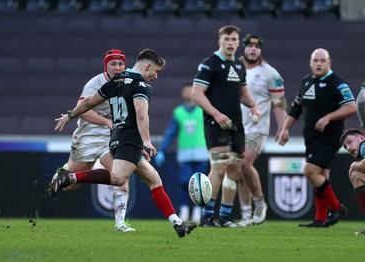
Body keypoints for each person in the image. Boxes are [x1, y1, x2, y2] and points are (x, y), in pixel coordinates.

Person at [50, 48, 197, 238]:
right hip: (128, 139)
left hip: (117, 137)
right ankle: (71, 177)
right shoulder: (141, 85)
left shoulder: (115, 82)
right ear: (149, 66)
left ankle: (178, 223)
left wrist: (70, 116)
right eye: (157, 72)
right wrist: (146, 141)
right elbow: (141, 114)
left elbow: (88, 103)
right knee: (119, 178)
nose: (156, 76)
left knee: (154, 180)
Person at [50, 49, 135, 232]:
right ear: (106, 66)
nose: (117, 67)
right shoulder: (95, 83)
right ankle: (64, 170)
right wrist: (107, 121)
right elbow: (83, 109)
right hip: (87, 137)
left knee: (120, 176)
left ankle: (120, 223)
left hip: (110, 139)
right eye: (113, 64)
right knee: (69, 187)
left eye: (120, 63)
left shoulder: (128, 83)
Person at [191, 25, 261, 228]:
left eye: (234, 40)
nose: (230, 43)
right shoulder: (209, 64)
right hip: (215, 122)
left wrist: (254, 106)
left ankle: (225, 216)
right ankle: (206, 216)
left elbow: (243, 94)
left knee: (235, 169)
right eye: (227, 39)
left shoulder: (239, 67)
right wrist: (216, 114)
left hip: (236, 123)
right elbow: (196, 93)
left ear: (238, 43)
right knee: (219, 167)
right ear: (219, 41)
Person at [278, 48, 356, 227]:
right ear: (310, 62)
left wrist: (328, 117)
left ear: (330, 63)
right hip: (311, 137)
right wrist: (284, 129)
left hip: (330, 136)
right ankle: (320, 219)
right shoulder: (306, 82)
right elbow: (296, 108)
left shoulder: (337, 83)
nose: (319, 63)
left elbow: (351, 106)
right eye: (316, 60)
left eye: (323, 60)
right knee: (321, 175)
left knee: (310, 171)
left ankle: (337, 208)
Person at [221, 34, 287, 227]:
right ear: (244, 48)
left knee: (243, 165)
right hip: (235, 126)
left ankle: (259, 203)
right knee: (238, 169)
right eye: (249, 46)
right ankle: (246, 213)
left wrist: (282, 128)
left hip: (258, 128)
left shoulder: (270, 74)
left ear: (261, 51)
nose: (253, 50)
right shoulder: (233, 67)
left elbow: (279, 102)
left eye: (257, 47)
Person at [155, 83, 209, 222]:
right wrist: (162, 150)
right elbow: (171, 132)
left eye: (190, 91)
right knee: (185, 182)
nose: (187, 93)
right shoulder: (178, 112)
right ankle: (184, 210)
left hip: (202, 152)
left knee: (201, 185)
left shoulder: (203, 109)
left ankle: (198, 211)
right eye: (185, 91)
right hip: (185, 153)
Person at [340, 127, 365, 235]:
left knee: (354, 172)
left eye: (350, 142)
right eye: (346, 147)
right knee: (356, 174)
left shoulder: (363, 145)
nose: (349, 148)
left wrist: (354, 164)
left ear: (361, 137)